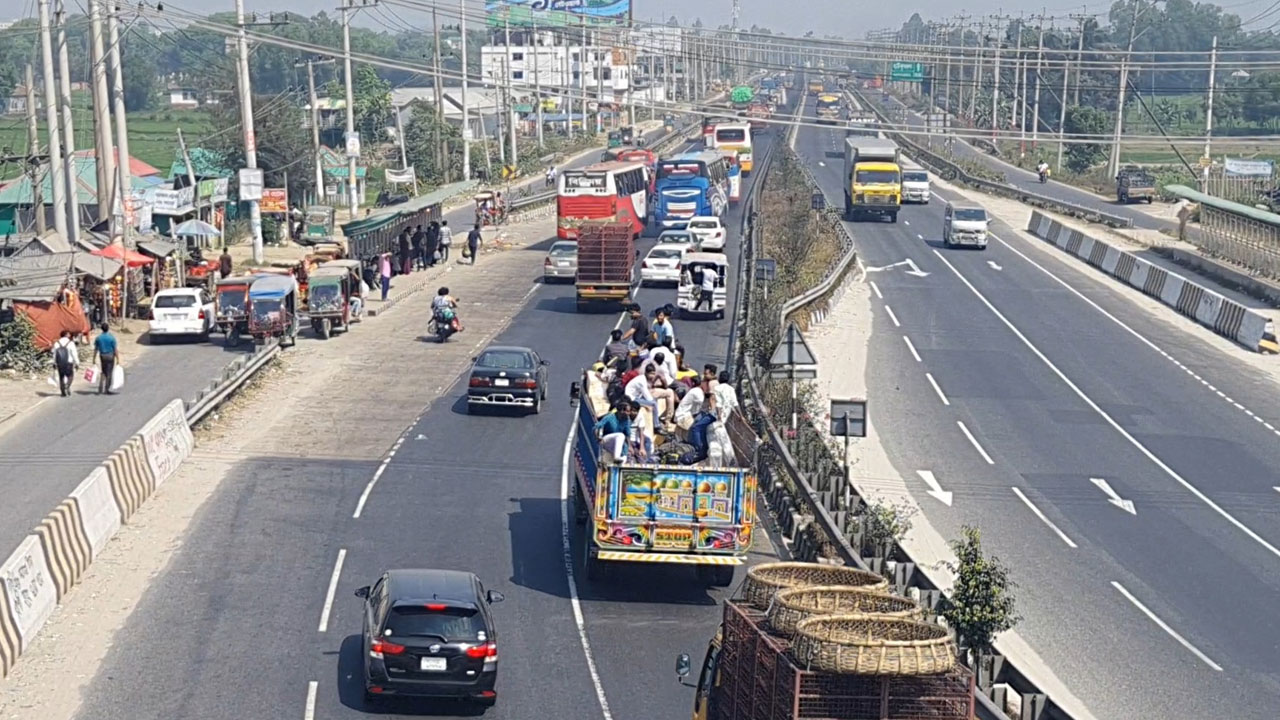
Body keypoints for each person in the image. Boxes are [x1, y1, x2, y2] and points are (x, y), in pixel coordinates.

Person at [91, 323, 119, 395]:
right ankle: (107, 389)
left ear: (101, 329)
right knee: (109, 372)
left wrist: (93, 358)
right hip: (110, 355)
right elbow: (115, 349)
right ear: (108, 328)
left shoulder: (98, 338)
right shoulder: (111, 338)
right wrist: (118, 358)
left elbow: (96, 349)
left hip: (102, 355)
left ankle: (100, 387)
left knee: (103, 371)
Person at [52, 330, 78, 397]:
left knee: (61, 377)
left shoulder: (56, 343)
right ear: (66, 335)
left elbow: (54, 354)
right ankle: (67, 385)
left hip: (60, 363)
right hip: (69, 362)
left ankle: (63, 392)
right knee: (70, 376)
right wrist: (77, 362)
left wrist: (54, 363)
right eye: (69, 334)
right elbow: (74, 354)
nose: (70, 335)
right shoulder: (70, 343)